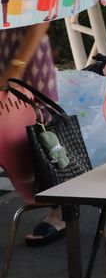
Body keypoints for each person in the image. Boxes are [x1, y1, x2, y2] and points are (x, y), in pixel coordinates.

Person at [0, 22, 66, 246]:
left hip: (24, 54)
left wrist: (16, 67)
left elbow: (43, 13)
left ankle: (61, 211)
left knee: (40, 132)